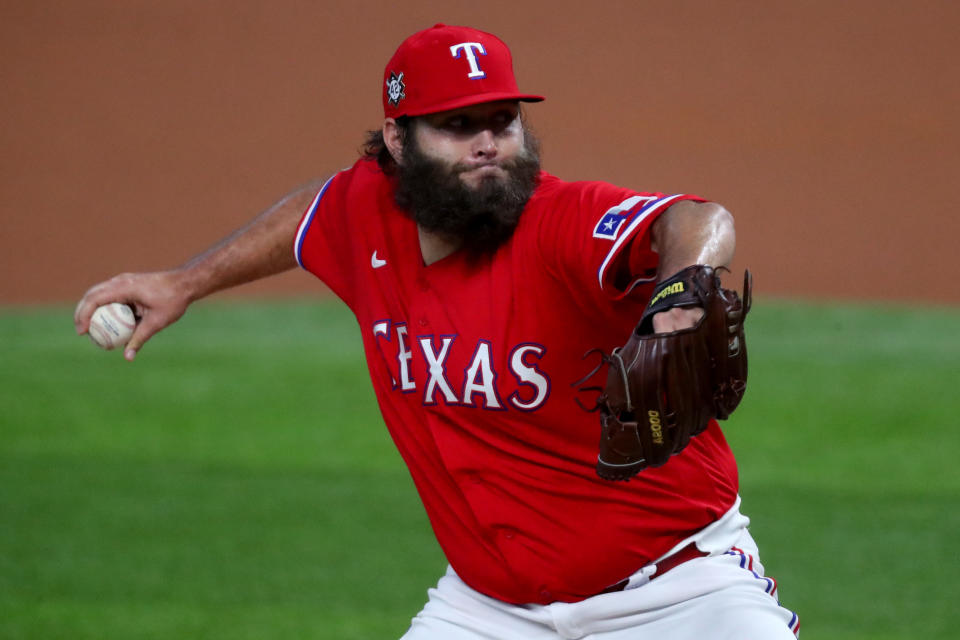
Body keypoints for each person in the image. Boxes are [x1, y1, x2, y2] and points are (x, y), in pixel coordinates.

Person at [75, 23, 799, 640]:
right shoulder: (366, 212)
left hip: (676, 590)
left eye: (502, 120)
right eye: (457, 126)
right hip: (489, 610)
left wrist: (680, 290)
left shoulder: (564, 224)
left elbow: (699, 220)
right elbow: (310, 214)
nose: (488, 142)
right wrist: (184, 282)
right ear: (397, 139)